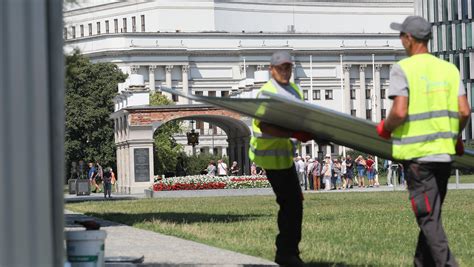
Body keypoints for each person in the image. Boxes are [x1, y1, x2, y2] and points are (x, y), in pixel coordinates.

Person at [376, 15, 471, 267]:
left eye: (401, 36)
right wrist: (455, 137)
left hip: (418, 158)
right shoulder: (449, 69)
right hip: (443, 155)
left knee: (428, 217)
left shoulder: (403, 68)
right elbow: (464, 111)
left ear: (408, 39)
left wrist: (385, 128)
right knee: (431, 215)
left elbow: (399, 111)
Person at [248, 51, 312, 267]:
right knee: (291, 204)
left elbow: (301, 119)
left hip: (284, 157)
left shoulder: (294, 90)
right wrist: (295, 134)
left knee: (293, 204)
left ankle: (287, 252)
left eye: (288, 68)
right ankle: (286, 253)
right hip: (268, 157)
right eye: (281, 68)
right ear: (271, 69)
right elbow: (264, 125)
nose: (285, 71)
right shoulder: (267, 93)